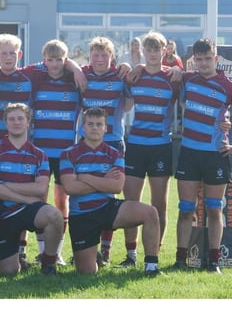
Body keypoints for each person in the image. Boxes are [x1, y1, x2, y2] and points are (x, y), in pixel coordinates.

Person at [60, 107, 162, 276]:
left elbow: (116, 187)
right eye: (90, 124)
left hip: (107, 207)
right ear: (83, 127)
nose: (94, 128)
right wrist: (103, 180)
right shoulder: (68, 154)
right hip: (82, 214)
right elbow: (71, 188)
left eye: (99, 124)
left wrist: (85, 177)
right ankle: (95, 256)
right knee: (87, 272)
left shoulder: (115, 154)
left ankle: (151, 267)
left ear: (105, 128)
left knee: (151, 212)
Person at [116, 31, 179, 267]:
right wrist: (131, 67)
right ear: (142, 51)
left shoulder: (173, 78)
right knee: (131, 202)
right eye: (149, 50)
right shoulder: (135, 76)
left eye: (157, 49)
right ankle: (131, 255)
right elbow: (125, 104)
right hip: (136, 145)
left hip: (161, 146)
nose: (152, 54)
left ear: (165, 51)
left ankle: (154, 254)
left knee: (159, 204)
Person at [0, 102, 64, 276]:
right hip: (4, 214)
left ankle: (49, 263)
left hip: (28, 211)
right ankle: (11, 257)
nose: (16, 122)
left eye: (20, 118)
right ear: (5, 123)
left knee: (55, 216)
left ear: (28, 122)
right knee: (10, 271)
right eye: (11, 119)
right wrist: (26, 198)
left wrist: (6, 185)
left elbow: (40, 189)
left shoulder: (40, 154)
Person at [172, 38, 232, 273]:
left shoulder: (227, 85)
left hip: (215, 154)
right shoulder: (187, 79)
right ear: (193, 61)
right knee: (186, 208)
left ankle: (214, 262)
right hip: (189, 152)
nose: (204, 63)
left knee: (214, 209)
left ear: (216, 59)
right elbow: (165, 69)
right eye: (199, 59)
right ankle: (180, 260)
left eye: (208, 59)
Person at [79, 35, 132, 265]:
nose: (100, 59)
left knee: (108, 196)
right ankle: (89, 249)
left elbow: (128, 106)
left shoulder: (120, 76)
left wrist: (129, 67)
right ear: (89, 56)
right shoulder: (82, 74)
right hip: (85, 144)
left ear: (112, 57)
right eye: (96, 55)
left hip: (112, 143)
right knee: (86, 194)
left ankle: (106, 251)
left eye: (104, 55)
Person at [30, 39, 81, 266]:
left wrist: (75, 67)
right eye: (50, 60)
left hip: (65, 153)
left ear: (65, 60)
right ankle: (42, 251)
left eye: (59, 60)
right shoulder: (37, 80)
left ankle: (56, 252)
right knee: (39, 201)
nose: (54, 64)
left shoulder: (73, 80)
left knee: (62, 201)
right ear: (44, 60)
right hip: (40, 153)